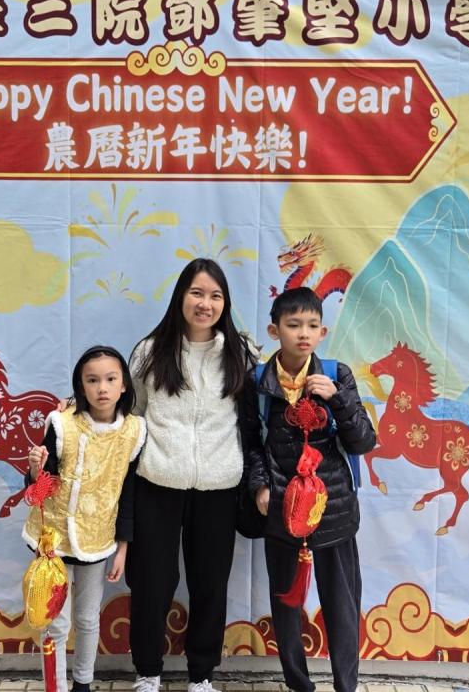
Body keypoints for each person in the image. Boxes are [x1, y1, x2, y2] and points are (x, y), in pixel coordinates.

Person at [127, 258, 262, 692]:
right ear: (181, 297)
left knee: (210, 583)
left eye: (215, 296)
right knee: (152, 582)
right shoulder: (150, 352)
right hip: (157, 482)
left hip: (218, 487)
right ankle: (148, 672)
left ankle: (201, 675)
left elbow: (256, 416)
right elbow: (132, 413)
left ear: (226, 303)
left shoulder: (243, 353)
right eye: (197, 293)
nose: (206, 304)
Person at [246, 287, 376, 692]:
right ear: (274, 330)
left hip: (333, 509)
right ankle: (298, 684)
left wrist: (337, 400)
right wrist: (260, 486)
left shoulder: (337, 375)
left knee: (342, 604)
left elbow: (364, 441)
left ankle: (346, 686)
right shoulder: (257, 381)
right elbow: (250, 442)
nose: (303, 333)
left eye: (312, 325)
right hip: (281, 509)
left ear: (323, 332)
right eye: (293, 324)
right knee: (286, 604)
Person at [24, 345, 146, 692]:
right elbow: (40, 487)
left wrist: (122, 547)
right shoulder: (63, 425)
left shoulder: (133, 431)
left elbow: (128, 494)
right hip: (53, 538)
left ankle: (83, 684)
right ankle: (56, 686)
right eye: (92, 380)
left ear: (124, 384)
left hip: (97, 539)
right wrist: (35, 470)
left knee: (89, 618)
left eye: (110, 379)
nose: (102, 388)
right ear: (81, 385)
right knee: (56, 622)